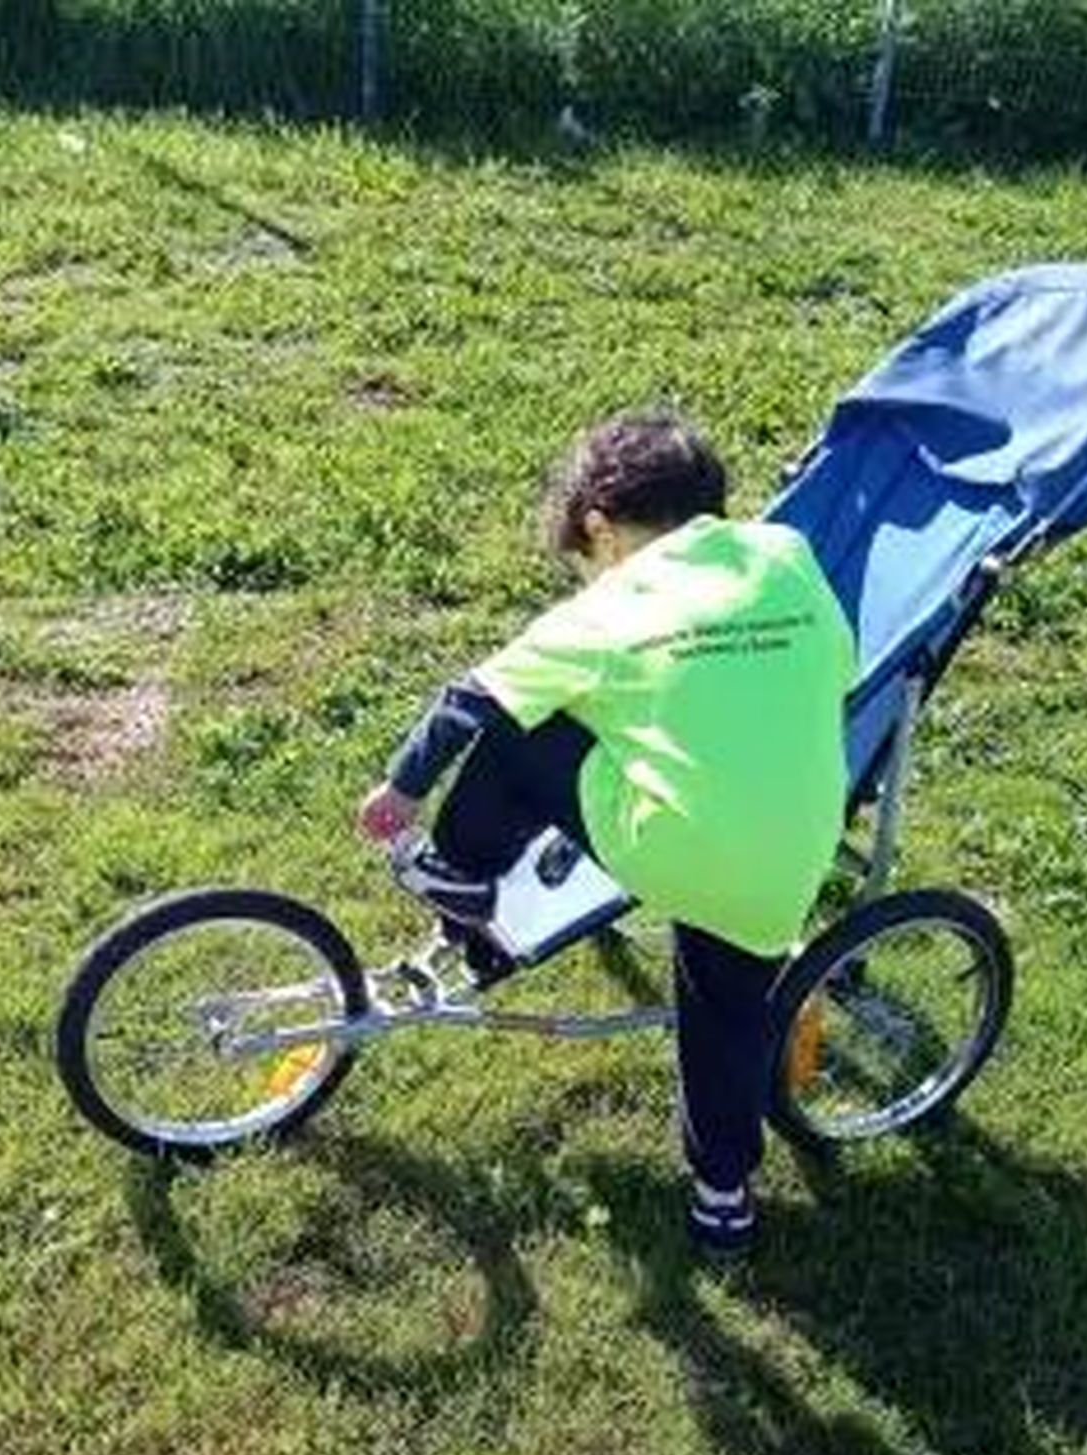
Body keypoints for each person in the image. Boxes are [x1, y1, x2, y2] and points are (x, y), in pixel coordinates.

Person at [357, 411, 856, 1256]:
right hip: (789, 855)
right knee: (725, 1006)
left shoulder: (610, 606)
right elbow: (839, 666)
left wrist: (399, 791)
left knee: (527, 727)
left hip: (668, 844)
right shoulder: (787, 553)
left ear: (599, 525)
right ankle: (723, 1197)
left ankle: (464, 876)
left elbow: (467, 701)